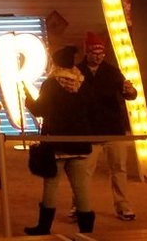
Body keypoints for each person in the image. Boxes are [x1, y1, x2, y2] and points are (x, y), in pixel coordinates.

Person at [23, 45, 95, 236]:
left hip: (56, 142)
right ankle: (86, 231)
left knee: (51, 186)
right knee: (81, 189)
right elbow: (91, 108)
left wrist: (28, 100)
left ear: (56, 63)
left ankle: (44, 227)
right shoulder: (82, 83)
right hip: (80, 142)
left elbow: (39, 110)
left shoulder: (51, 84)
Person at [79, 31, 138, 221]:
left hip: (113, 129)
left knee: (119, 169)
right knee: (84, 171)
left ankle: (123, 206)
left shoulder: (112, 71)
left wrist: (130, 91)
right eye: (94, 52)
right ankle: (79, 205)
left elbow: (129, 94)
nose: (97, 56)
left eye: (101, 53)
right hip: (89, 130)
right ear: (86, 52)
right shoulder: (77, 71)